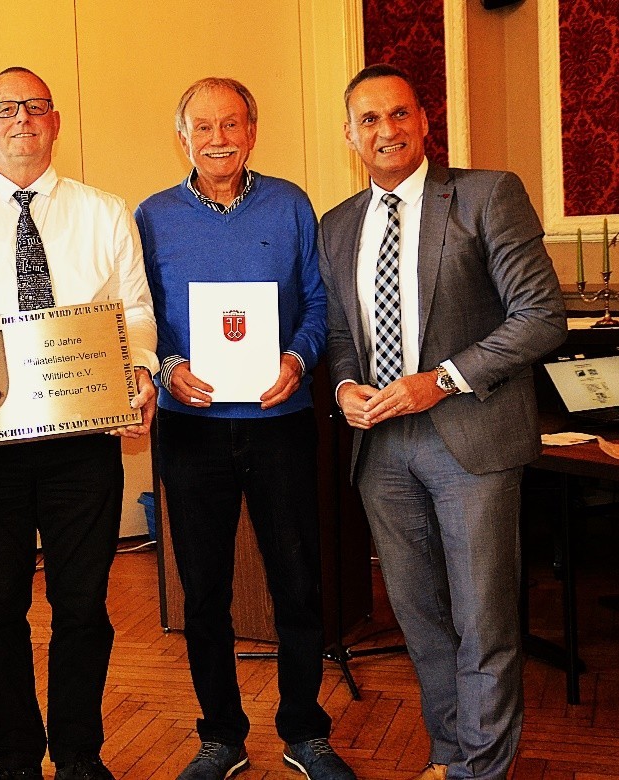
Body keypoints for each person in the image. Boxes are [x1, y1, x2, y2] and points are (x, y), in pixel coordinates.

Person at [0, 67, 158, 780]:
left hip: (84, 445)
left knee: (83, 607)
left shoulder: (105, 212)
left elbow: (134, 312)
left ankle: (78, 755)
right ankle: (13, 758)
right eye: (5, 109)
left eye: (35, 108)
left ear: (55, 123)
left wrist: (139, 369)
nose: (21, 121)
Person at [318, 64, 567, 780]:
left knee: (483, 620)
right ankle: (450, 755)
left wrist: (441, 380)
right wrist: (343, 387)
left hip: (472, 438)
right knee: (420, 620)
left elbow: (540, 316)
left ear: (425, 121)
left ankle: (480, 771)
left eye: (399, 113)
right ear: (349, 135)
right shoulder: (337, 225)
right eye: (369, 119)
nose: (386, 130)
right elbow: (341, 334)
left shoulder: (487, 194)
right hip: (381, 450)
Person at [134, 77, 356, 780]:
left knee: (298, 582)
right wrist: (168, 366)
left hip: (279, 422)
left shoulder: (291, 204)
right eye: (202, 127)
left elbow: (317, 303)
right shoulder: (151, 216)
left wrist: (299, 358)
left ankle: (305, 732)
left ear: (252, 132)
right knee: (203, 591)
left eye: (231, 124)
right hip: (191, 427)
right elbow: (139, 314)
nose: (218, 139)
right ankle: (220, 737)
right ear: (182, 138)